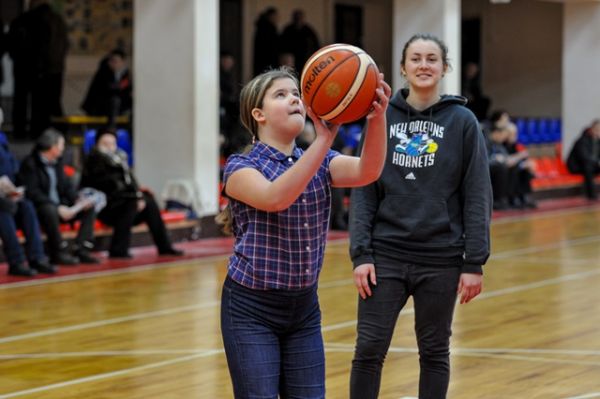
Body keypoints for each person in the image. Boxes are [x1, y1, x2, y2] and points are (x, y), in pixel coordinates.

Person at [218, 66, 390, 398]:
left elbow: (369, 171)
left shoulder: (322, 161)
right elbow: (275, 197)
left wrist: (377, 118)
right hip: (251, 309)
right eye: (280, 95)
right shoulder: (241, 167)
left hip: (304, 308)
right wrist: (324, 140)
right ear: (259, 115)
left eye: (296, 93)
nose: (294, 99)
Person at [349, 34, 492, 398]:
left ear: (445, 68)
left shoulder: (463, 122)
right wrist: (361, 254)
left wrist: (474, 261)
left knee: (434, 353)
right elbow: (365, 188)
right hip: (385, 256)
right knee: (368, 351)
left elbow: (477, 192)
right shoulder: (380, 117)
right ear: (403, 67)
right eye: (416, 59)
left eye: (432, 59)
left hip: (441, 257)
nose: (423, 65)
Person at [80, 129, 183, 258]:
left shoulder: (120, 159)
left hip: (123, 204)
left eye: (112, 143)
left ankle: (165, 246)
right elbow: (109, 186)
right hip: (104, 207)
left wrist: (139, 195)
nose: (109, 147)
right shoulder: (94, 161)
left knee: (148, 200)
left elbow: (131, 183)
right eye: (105, 144)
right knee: (131, 203)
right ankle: (118, 249)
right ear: (97, 145)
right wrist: (134, 197)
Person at [18, 128, 99, 265]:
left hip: (61, 206)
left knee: (89, 206)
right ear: (53, 147)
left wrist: (77, 199)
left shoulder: (57, 163)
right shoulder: (30, 163)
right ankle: (58, 253)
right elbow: (33, 193)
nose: (63, 148)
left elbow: (67, 186)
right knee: (49, 210)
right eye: (61, 145)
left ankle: (81, 249)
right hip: (41, 208)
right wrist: (57, 208)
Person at [0, 111, 56, 276]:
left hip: (5, 196)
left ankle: (36, 258)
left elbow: (13, 172)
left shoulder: (3, 143)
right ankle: (16, 261)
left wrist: (15, 189)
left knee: (27, 207)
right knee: (3, 210)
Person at [7, 0, 68, 139]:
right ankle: (37, 130)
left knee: (22, 101)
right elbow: (57, 47)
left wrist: (16, 57)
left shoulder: (22, 21)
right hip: (46, 69)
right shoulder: (55, 21)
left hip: (24, 66)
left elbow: (11, 43)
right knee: (40, 103)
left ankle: (20, 130)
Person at [81, 49, 132, 126]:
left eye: (116, 61)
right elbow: (109, 89)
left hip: (116, 108)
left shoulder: (124, 73)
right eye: (112, 61)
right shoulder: (104, 71)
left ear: (122, 62)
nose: (114, 64)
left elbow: (127, 88)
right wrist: (121, 86)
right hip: (98, 108)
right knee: (115, 101)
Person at [566, 119, 600, 200]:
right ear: (592, 129)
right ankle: (591, 195)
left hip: (591, 165)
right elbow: (584, 157)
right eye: (598, 130)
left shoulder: (598, 142)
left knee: (589, 168)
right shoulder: (582, 140)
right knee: (588, 168)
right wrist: (597, 163)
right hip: (577, 166)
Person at [280, 9, 320, 74]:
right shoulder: (288, 30)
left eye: (300, 18)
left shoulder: (308, 30)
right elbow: (282, 45)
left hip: (305, 58)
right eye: (297, 18)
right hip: (291, 60)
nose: (298, 20)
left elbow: (315, 44)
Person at [252, 7, 280, 75]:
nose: (276, 18)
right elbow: (272, 45)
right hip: (267, 59)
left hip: (263, 59)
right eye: (275, 16)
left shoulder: (261, 27)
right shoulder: (267, 28)